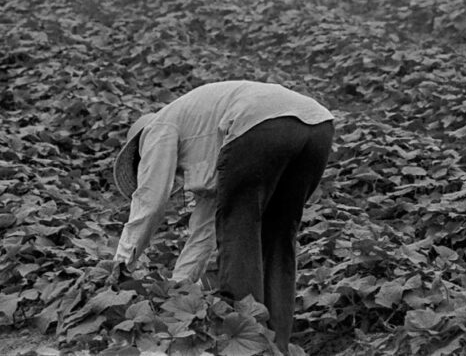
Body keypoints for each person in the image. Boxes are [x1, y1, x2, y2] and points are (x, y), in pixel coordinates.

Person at [112, 81, 336, 353]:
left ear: (140, 155)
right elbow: (203, 232)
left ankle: (247, 341)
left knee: (239, 229)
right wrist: (178, 289)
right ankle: (276, 346)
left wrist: (122, 262)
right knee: (277, 238)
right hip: (318, 127)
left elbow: (150, 199)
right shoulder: (201, 137)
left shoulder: (158, 129)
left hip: (257, 125)